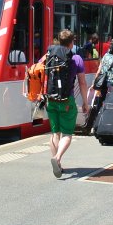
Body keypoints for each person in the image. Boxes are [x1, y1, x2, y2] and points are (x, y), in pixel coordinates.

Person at [39, 29, 88, 178]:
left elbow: (39, 72)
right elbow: (82, 83)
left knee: (55, 133)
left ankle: (58, 166)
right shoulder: (76, 59)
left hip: (51, 100)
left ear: (58, 41)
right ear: (72, 42)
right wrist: (86, 102)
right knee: (67, 134)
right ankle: (57, 158)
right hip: (67, 100)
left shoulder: (48, 55)